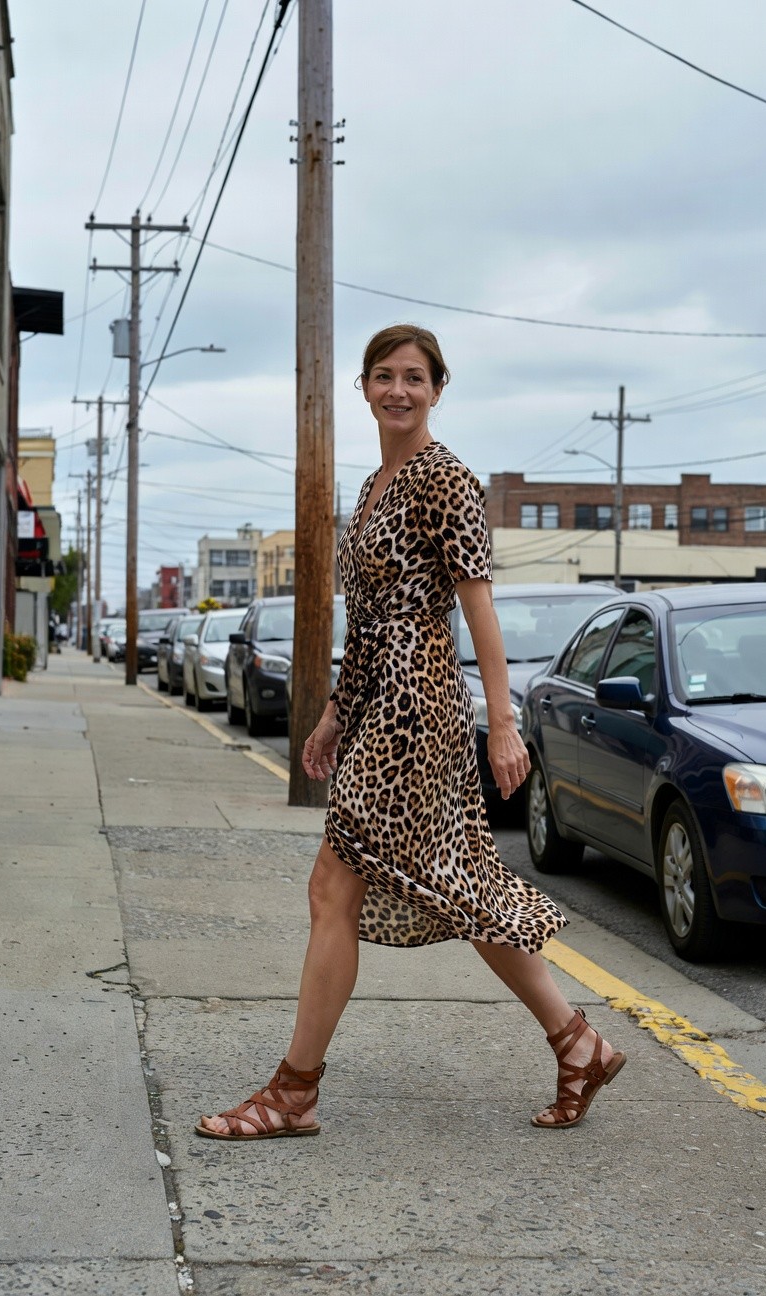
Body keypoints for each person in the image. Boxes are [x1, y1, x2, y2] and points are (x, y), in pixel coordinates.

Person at [196, 325, 626, 1142]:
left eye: (415, 378)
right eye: (385, 376)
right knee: (457, 887)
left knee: (334, 887)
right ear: (363, 387)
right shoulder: (372, 488)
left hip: (418, 711)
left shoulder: (446, 479)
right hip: (379, 708)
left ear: (437, 389)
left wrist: (503, 723)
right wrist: (334, 715)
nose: (399, 390)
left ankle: (294, 1092)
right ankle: (579, 1045)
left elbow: (478, 606)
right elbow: (367, 623)